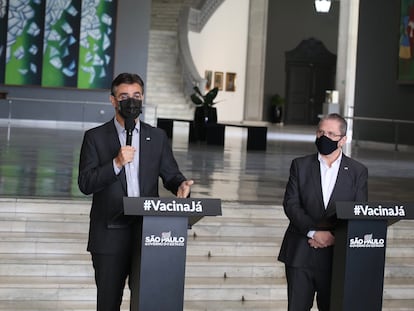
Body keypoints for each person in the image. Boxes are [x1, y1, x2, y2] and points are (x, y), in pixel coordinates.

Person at [78, 72, 194, 311]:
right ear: (113, 101)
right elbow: (86, 183)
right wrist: (116, 164)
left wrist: (181, 186)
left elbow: (171, 175)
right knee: (108, 304)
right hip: (109, 235)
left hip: (149, 233)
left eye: (137, 95)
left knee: (147, 302)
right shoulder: (95, 138)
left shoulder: (157, 136)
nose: (131, 101)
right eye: (124, 96)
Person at [278, 113, 368, 311]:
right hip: (301, 252)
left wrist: (334, 237)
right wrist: (314, 232)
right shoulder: (300, 165)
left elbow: (359, 211)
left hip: (337, 256)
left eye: (330, 133)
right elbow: (291, 204)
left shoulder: (357, 171)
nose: (323, 137)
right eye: (320, 132)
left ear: (343, 140)